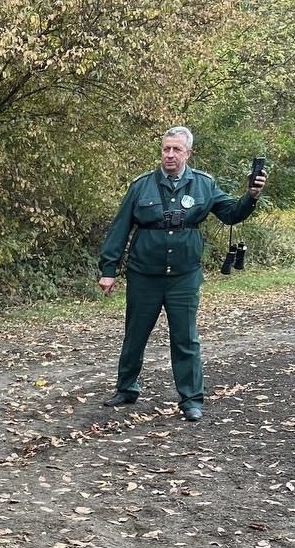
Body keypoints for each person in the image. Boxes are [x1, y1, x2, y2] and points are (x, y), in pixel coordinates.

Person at [97, 126, 267, 421]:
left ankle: (191, 399)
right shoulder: (141, 186)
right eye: (166, 149)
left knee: (185, 338)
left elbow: (231, 214)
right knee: (135, 334)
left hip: (184, 276)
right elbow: (120, 227)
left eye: (177, 150)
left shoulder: (204, 184)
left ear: (188, 153)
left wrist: (251, 195)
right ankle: (126, 389)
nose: (170, 155)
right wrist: (108, 269)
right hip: (144, 274)